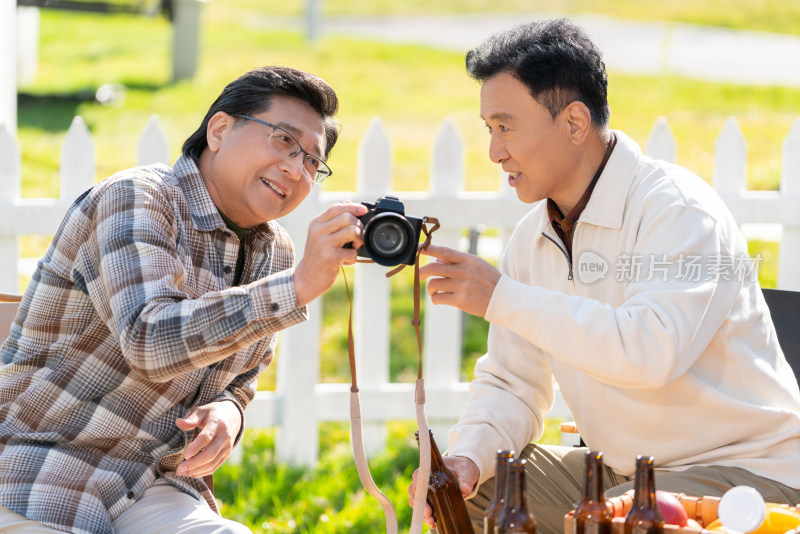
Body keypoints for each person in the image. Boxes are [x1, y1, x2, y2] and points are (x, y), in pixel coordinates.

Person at [408, 19, 800, 534]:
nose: (494, 151)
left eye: (506, 126)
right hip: (628, 473)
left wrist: (503, 298)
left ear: (574, 122)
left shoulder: (678, 210)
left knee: (610, 519)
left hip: (748, 476)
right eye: (489, 129)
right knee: (476, 498)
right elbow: (512, 383)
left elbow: (650, 351)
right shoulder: (533, 235)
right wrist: (466, 461)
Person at [0, 66, 368, 534]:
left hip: (147, 480)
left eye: (313, 162)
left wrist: (229, 412)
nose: (297, 169)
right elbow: (148, 339)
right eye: (283, 141)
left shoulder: (275, 250)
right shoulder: (138, 197)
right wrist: (297, 287)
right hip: (38, 468)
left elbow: (241, 380)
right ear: (219, 130)